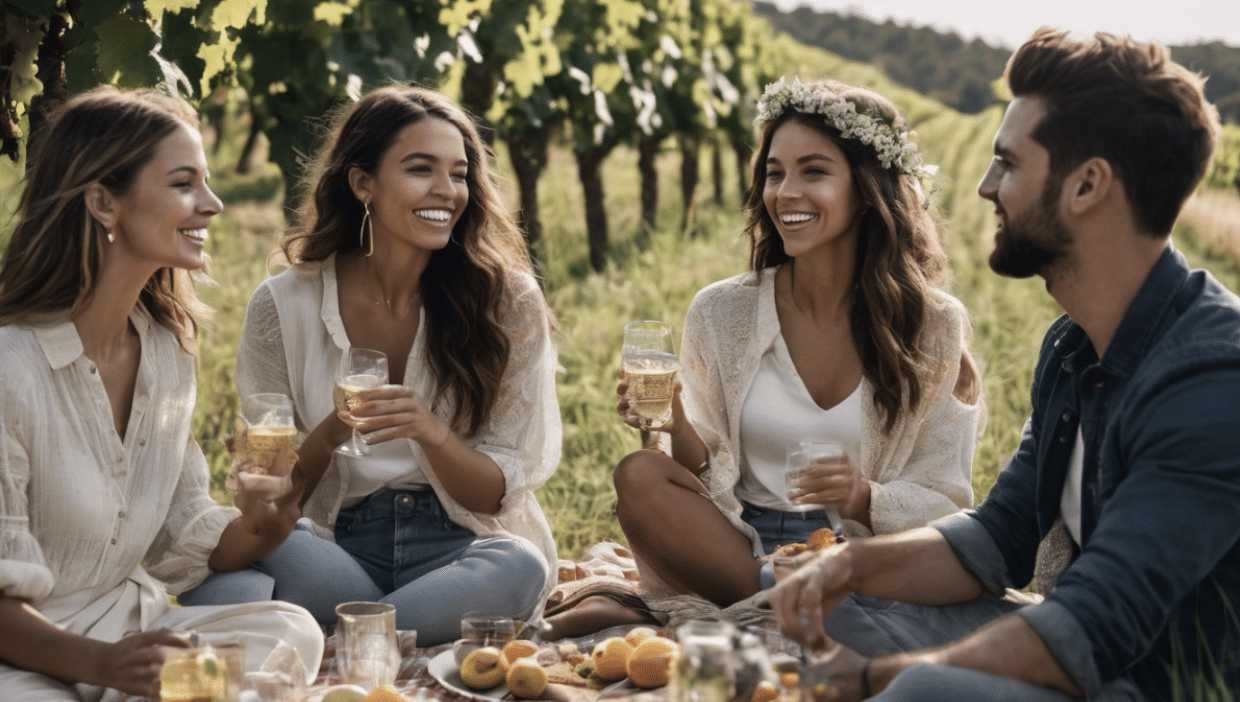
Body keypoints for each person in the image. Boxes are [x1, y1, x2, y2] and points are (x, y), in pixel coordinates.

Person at [770, 28, 1238, 702]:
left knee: (919, 692)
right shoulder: (1073, 347)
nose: (988, 187)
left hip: (1154, 684)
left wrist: (875, 677)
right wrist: (846, 564)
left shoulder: (1212, 379)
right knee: (834, 602)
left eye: (1008, 164)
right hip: (1088, 651)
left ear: (1087, 185)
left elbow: (1090, 629)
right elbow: (1000, 537)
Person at [180, 85, 559, 647]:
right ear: (363, 184)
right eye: (420, 169)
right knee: (207, 573)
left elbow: (494, 495)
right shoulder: (283, 305)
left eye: (458, 174)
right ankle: (393, 629)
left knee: (521, 565)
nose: (446, 191)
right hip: (337, 548)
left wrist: (428, 430)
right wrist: (331, 430)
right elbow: (276, 496)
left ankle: (342, 632)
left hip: (458, 545)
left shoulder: (507, 302)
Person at [610, 78, 984, 610]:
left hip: (854, 549)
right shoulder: (722, 311)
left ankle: (765, 599)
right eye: (774, 173)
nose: (785, 193)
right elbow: (705, 472)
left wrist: (863, 497)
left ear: (867, 188)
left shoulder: (933, 325)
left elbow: (947, 497)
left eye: (814, 171)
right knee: (639, 474)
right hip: (737, 539)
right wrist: (675, 419)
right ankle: (791, 598)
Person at [0, 86, 323, 701]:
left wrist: (264, 524)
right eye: (184, 184)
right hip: (26, 656)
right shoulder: (10, 370)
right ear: (102, 202)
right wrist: (105, 667)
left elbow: (182, 539)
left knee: (291, 631)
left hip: (127, 632)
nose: (214, 204)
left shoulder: (166, 355)